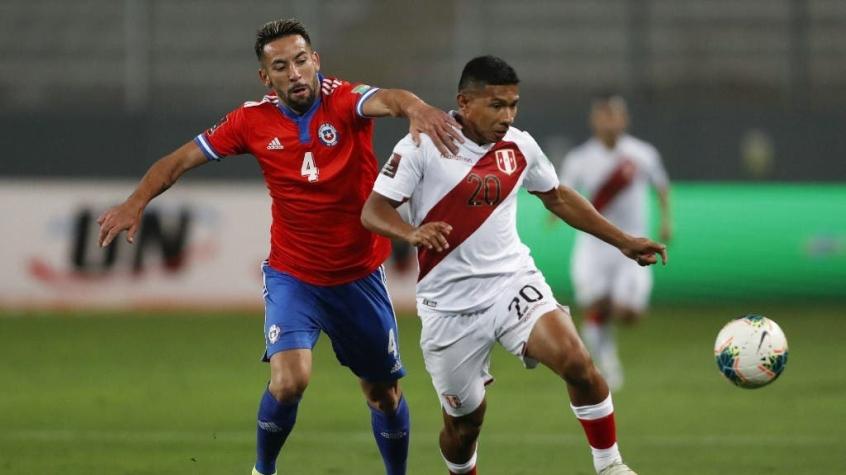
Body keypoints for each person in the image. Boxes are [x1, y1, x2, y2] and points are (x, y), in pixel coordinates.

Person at [97, 19, 463, 475]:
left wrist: (417, 108)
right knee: (290, 381)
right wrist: (136, 201)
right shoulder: (250, 121)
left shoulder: (345, 101)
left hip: (358, 277)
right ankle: (262, 471)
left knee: (383, 395)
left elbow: (389, 98)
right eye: (281, 66)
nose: (295, 73)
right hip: (294, 276)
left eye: (301, 60)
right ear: (265, 77)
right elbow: (177, 161)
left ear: (316, 62)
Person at [361, 56, 666, 475]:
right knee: (464, 424)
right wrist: (411, 233)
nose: (507, 116)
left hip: (511, 283)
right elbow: (373, 211)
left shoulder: (520, 146)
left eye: (513, 105)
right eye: (496, 105)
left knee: (577, 362)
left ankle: (610, 465)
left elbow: (557, 196)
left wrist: (624, 241)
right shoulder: (421, 145)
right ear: (464, 103)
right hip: (449, 308)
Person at [558, 94, 672, 391]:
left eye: (615, 115)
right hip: (594, 246)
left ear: (625, 119)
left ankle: (603, 318)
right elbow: (562, 193)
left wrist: (666, 221)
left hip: (634, 245)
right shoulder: (580, 158)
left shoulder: (642, 154)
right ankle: (607, 362)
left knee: (629, 313)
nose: (610, 121)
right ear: (594, 120)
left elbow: (661, 186)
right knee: (594, 304)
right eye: (604, 115)